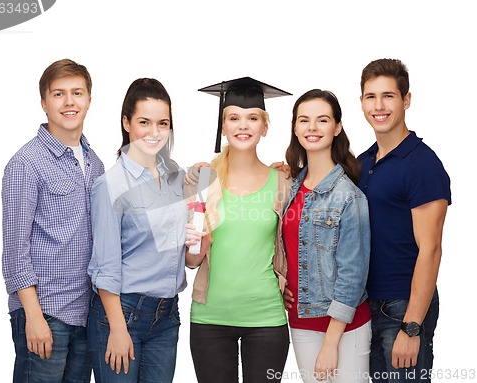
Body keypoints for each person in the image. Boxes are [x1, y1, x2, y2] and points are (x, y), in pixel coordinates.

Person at [1, 58, 105, 383]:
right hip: (45, 313)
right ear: (44, 103)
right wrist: (33, 316)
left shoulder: (95, 164)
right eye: (59, 94)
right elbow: (15, 250)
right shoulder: (26, 163)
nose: (69, 101)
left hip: (85, 315)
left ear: (89, 99)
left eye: (77, 92)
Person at [184, 77, 292, 383]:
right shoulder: (204, 181)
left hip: (267, 319)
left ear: (264, 127)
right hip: (210, 319)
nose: (242, 126)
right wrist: (199, 225)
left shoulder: (282, 183)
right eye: (233, 118)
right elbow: (192, 261)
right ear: (223, 126)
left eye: (252, 118)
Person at [87, 78, 189, 383]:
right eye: (144, 122)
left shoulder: (177, 178)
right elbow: (105, 266)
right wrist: (117, 328)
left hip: (167, 316)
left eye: (163, 122)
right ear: (126, 123)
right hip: (123, 313)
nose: (154, 132)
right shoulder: (111, 185)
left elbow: (185, 251)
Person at [357, 58, 451, 382]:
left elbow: (431, 250)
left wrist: (412, 327)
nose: (379, 106)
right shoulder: (364, 161)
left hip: (402, 309)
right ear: (361, 102)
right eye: (371, 97)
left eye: (388, 96)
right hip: (366, 307)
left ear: (406, 99)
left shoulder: (422, 164)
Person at [282, 89, 371, 383]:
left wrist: (332, 342)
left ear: (337, 127)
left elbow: (352, 273)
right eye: (304, 120)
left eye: (322, 120)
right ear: (295, 128)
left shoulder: (349, 196)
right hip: (301, 321)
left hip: (345, 327)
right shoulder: (291, 188)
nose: (312, 128)